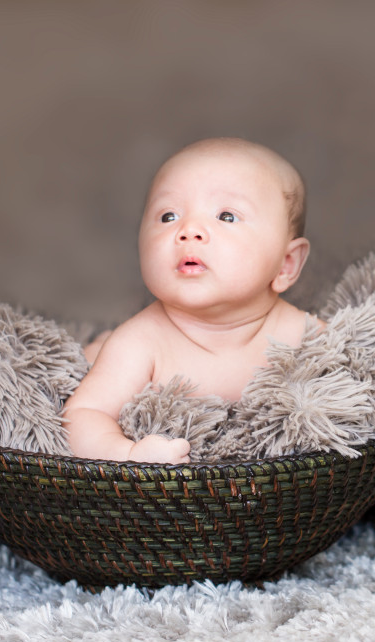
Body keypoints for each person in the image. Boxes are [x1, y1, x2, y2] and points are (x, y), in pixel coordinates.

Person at [62, 137, 321, 463]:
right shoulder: (141, 343)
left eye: (226, 216)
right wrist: (127, 454)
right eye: (168, 216)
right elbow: (82, 414)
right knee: (96, 359)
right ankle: (97, 349)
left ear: (286, 264)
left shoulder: (303, 334)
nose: (189, 230)